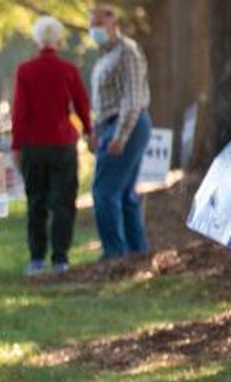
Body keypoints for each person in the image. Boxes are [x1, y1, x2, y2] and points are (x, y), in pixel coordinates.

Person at [12, 15, 92, 275]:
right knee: (64, 201)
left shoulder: (25, 70)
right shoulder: (68, 70)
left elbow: (20, 112)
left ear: (36, 39)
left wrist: (16, 145)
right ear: (59, 40)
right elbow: (81, 104)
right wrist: (89, 131)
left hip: (34, 145)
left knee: (36, 201)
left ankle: (36, 258)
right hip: (62, 143)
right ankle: (60, 258)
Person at [89, 3, 152, 260]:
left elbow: (132, 99)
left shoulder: (128, 52)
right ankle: (137, 252)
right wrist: (96, 129)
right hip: (110, 124)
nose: (94, 30)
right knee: (124, 193)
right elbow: (105, 99)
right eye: (91, 25)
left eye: (99, 24)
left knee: (104, 190)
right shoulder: (106, 54)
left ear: (112, 22)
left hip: (127, 125)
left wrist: (120, 135)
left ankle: (114, 252)